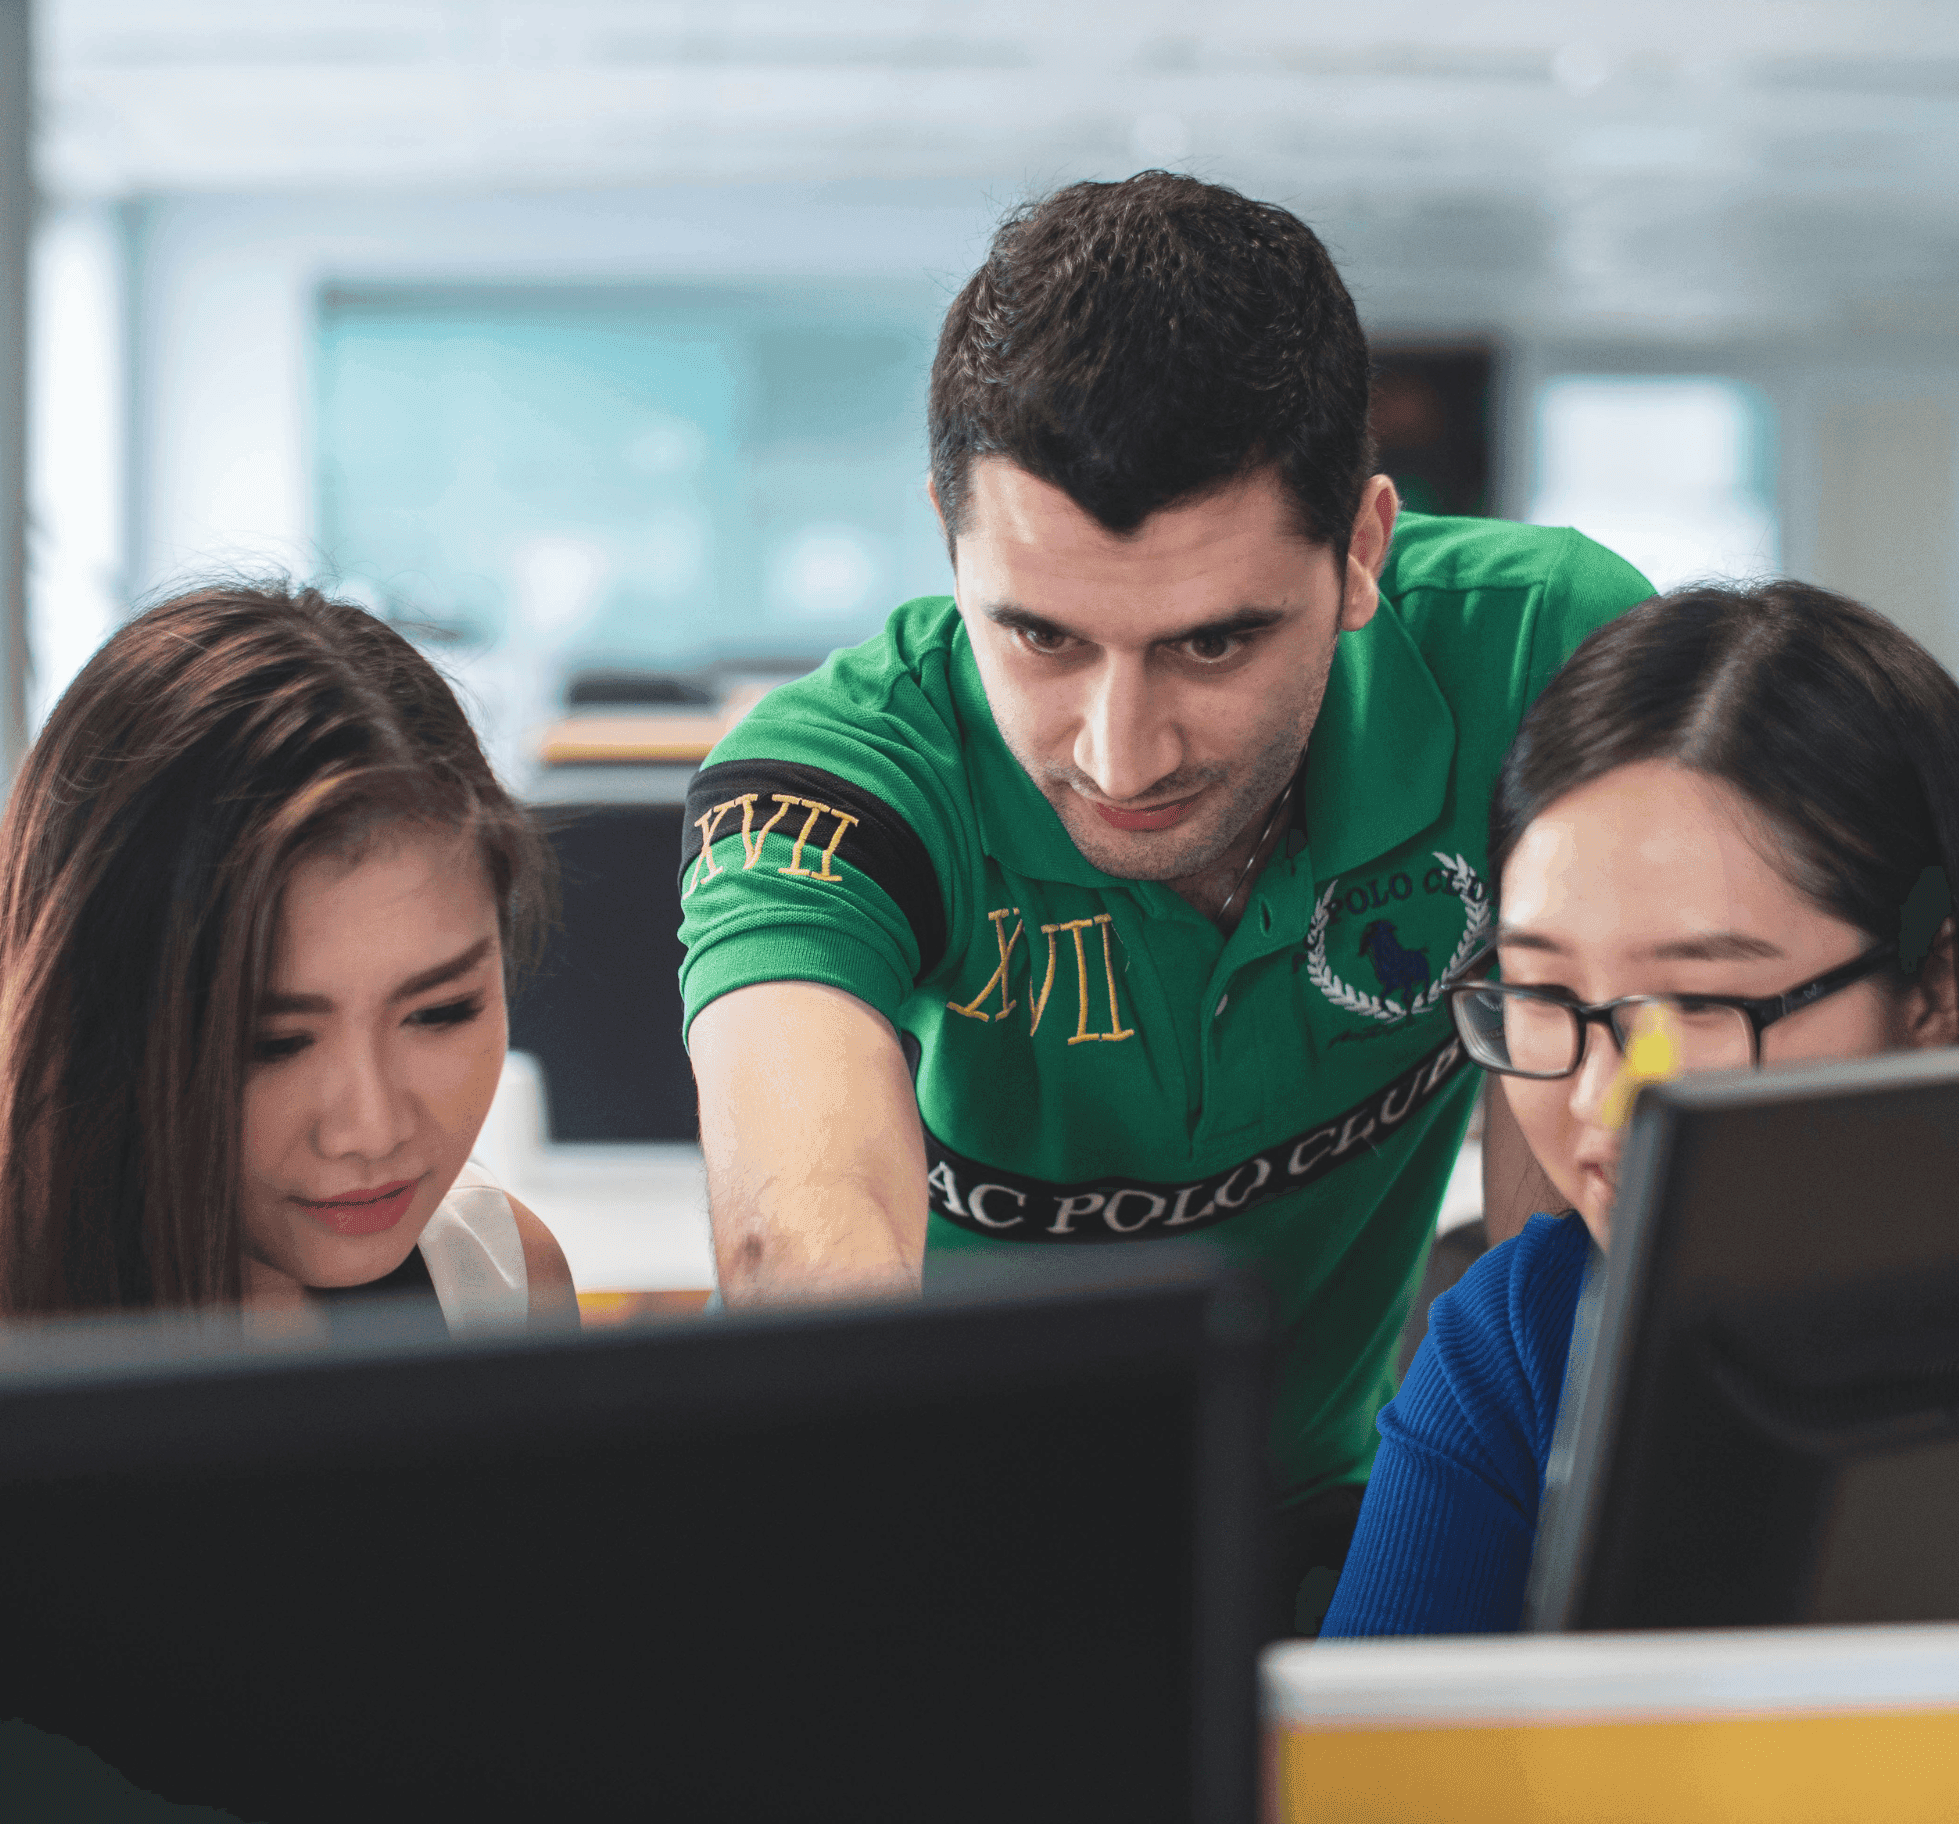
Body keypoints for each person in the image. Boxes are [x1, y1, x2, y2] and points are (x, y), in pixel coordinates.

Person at [677, 170, 1654, 1630]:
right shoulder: (829, 778)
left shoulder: (1543, 651)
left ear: (1362, 549)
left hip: (1329, 1512)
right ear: (949, 544)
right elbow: (798, 1245)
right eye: (1040, 637)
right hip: (912, 1524)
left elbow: (1560, 1247)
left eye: (1212, 645)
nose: (1118, 754)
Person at [1320, 580, 1959, 1637]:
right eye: (1542, 991)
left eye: (1693, 1002)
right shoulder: (1521, 1337)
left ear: (1931, 990)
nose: (1601, 1098)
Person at [0, 583, 576, 1370]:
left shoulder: (503, 1284)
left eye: (441, 1011)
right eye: (272, 1043)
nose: (371, 1131)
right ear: (92, 1017)